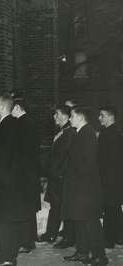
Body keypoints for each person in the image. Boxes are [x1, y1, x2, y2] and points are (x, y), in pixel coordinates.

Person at [62, 107, 107, 266]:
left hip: (85, 188)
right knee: (80, 220)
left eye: (72, 116)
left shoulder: (87, 134)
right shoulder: (80, 133)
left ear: (81, 118)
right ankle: (82, 252)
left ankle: (99, 256)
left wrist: (78, 182)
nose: (70, 119)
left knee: (91, 222)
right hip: (79, 187)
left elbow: (87, 163)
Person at [0, 93, 20, 266]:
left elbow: (2, 159)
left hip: (4, 184)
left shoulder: (5, 126)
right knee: (7, 222)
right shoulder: (11, 124)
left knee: (3, 222)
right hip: (10, 183)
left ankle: (7, 258)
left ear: (1, 106)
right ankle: (7, 255)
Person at [39, 105, 75, 246]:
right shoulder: (62, 132)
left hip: (61, 178)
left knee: (62, 207)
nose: (54, 117)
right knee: (56, 206)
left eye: (57, 114)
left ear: (65, 116)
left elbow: (66, 158)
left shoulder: (69, 133)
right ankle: (51, 234)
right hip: (56, 177)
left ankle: (67, 237)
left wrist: (59, 174)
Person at [11, 98, 41, 254]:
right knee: (28, 208)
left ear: (17, 107)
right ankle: (29, 240)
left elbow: (21, 152)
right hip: (29, 173)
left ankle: (26, 242)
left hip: (24, 174)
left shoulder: (22, 124)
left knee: (25, 208)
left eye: (11, 108)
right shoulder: (29, 122)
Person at [98, 106, 123, 248]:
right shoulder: (112, 133)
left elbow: (111, 161)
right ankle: (119, 235)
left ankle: (109, 239)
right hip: (113, 179)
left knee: (110, 208)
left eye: (101, 115)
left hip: (110, 179)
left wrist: (104, 179)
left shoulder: (111, 134)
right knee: (114, 208)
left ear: (110, 116)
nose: (99, 118)